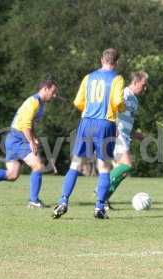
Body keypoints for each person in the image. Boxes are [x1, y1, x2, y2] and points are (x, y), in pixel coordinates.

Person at [52, 48, 125, 219]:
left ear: (102, 59)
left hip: (86, 123)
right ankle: (99, 207)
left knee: (75, 164)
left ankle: (63, 201)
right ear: (116, 62)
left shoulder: (89, 77)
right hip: (105, 123)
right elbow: (117, 102)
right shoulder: (117, 78)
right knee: (104, 167)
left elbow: (78, 102)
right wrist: (122, 107)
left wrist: (91, 108)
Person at [0, 79, 58, 208]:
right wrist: (31, 141)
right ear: (45, 89)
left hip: (13, 138)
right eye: (53, 92)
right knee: (38, 166)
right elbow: (26, 125)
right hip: (18, 139)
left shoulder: (40, 104)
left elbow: (30, 124)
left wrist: (34, 137)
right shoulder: (33, 102)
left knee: (12, 175)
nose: (54, 95)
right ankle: (33, 201)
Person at [103, 71, 148, 209]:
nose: (145, 88)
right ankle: (101, 189)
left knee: (123, 171)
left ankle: (103, 200)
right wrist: (112, 129)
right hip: (116, 135)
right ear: (135, 82)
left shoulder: (134, 99)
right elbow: (109, 111)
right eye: (143, 85)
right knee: (127, 165)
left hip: (125, 136)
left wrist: (136, 135)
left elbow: (126, 122)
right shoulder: (124, 94)